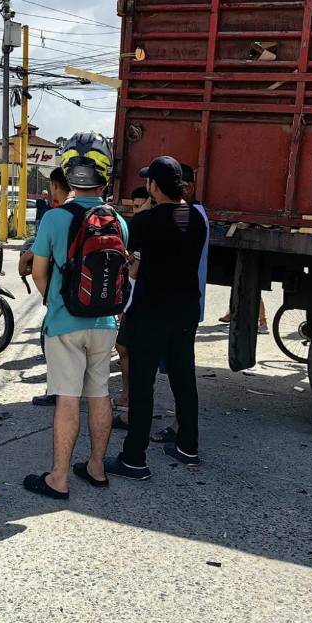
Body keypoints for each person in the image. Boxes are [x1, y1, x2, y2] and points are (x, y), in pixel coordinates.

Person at [24, 132, 126, 498]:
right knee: (99, 393)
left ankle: (59, 479)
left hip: (66, 323)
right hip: (106, 322)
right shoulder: (118, 220)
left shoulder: (54, 219)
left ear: (68, 172)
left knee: (68, 397)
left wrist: (54, 303)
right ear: (105, 174)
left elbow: (38, 272)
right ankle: (97, 468)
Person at [107, 155, 207, 480]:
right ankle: (188, 447)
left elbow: (130, 263)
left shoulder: (144, 222)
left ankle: (134, 459)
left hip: (150, 311)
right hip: (185, 310)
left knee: (142, 385)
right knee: (183, 378)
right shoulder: (196, 218)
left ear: (153, 185)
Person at [20, 167, 71, 409]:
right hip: (97, 304)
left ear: (55, 186)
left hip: (62, 298)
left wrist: (50, 299)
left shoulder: (55, 216)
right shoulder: (105, 215)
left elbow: (39, 269)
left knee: (52, 344)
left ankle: (56, 391)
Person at [112, 185, 153, 419]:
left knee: (127, 350)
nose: (136, 211)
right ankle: (128, 397)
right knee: (124, 349)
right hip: (132, 300)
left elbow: (134, 273)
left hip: (137, 301)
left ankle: (129, 401)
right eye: (134, 206)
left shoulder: (145, 227)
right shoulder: (138, 228)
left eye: (141, 206)